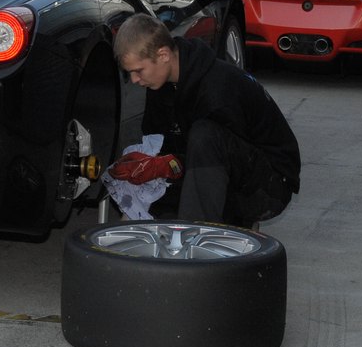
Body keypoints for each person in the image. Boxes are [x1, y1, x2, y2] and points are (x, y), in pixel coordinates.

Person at [111, 13, 301, 226]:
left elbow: (221, 160)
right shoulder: (159, 83)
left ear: (163, 54)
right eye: (130, 73)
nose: (135, 80)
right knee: (155, 216)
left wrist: (172, 164)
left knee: (205, 135)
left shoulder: (218, 89)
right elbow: (165, 147)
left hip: (269, 185)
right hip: (214, 171)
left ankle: (201, 241)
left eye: (138, 71)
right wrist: (152, 163)